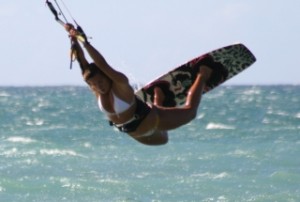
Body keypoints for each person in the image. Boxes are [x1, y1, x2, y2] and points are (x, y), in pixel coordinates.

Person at [65, 24, 227, 146]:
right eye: (93, 85)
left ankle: (202, 74)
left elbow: (101, 63)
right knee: (164, 139)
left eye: (100, 81)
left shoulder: (120, 84)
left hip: (150, 120)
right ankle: (159, 97)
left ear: (107, 76)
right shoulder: (97, 91)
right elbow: (82, 62)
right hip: (134, 133)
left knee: (190, 112)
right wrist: (73, 38)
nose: (98, 86)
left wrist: (84, 42)